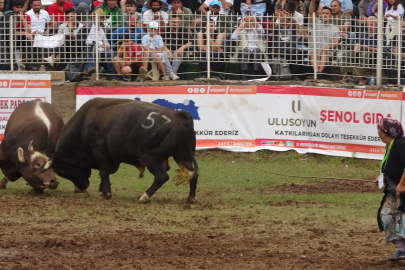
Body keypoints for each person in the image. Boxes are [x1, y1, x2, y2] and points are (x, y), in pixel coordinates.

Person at [375, 118, 405, 261]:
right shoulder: (391, 145)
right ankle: (403, 249)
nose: (378, 132)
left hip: (402, 191)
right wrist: (383, 177)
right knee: (387, 216)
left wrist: (402, 184)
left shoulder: (400, 144)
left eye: (380, 129)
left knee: (401, 219)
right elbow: (392, 166)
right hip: (394, 191)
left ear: (384, 132)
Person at [340, 16, 382, 85]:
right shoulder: (363, 33)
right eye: (368, 24)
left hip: (373, 53)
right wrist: (356, 47)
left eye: (371, 24)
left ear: (376, 25)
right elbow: (358, 43)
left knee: (364, 54)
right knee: (346, 53)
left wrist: (369, 48)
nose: (369, 26)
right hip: (361, 52)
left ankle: (363, 78)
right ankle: (348, 75)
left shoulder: (380, 35)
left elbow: (382, 49)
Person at [308, 0, 339, 74]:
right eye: (323, 13)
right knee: (314, 52)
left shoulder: (335, 29)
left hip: (327, 51)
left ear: (331, 16)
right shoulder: (315, 23)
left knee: (324, 52)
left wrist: (327, 48)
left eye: (327, 13)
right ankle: (317, 72)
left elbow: (335, 43)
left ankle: (319, 73)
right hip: (314, 50)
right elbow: (310, 13)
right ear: (320, 14)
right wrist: (313, 2)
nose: (325, 15)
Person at [231, 15, 266, 80]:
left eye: (251, 22)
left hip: (257, 51)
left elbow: (261, 31)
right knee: (245, 50)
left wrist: (253, 20)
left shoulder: (258, 30)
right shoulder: (241, 31)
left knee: (257, 50)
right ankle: (244, 75)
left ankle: (255, 74)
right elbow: (233, 38)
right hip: (244, 51)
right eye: (247, 22)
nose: (249, 23)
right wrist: (241, 25)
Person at [85, 9, 116, 80]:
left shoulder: (103, 29)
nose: (99, 19)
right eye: (98, 17)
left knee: (110, 52)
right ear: (93, 18)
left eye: (101, 18)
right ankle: (89, 67)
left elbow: (107, 44)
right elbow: (87, 42)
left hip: (99, 51)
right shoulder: (88, 27)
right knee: (92, 47)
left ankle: (111, 75)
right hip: (88, 51)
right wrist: (101, 44)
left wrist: (101, 48)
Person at [12, 0, 35, 70]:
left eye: (21, 7)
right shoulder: (10, 16)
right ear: (14, 8)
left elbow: (28, 31)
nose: (19, 9)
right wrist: (24, 33)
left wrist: (23, 19)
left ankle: (28, 64)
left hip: (22, 38)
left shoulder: (26, 16)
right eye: (17, 7)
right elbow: (11, 32)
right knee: (9, 41)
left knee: (29, 40)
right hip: (13, 38)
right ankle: (13, 64)